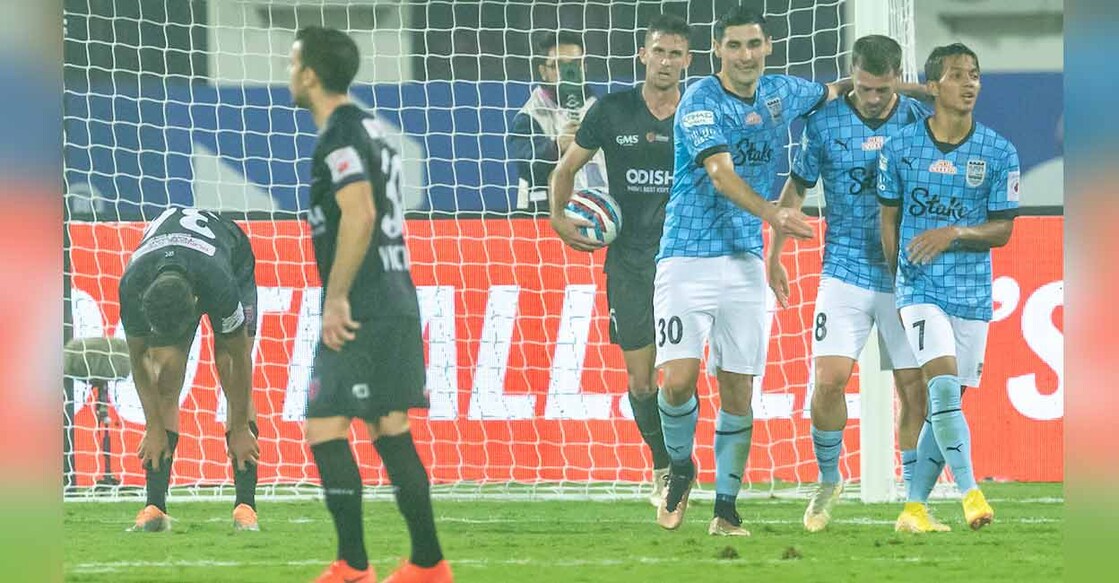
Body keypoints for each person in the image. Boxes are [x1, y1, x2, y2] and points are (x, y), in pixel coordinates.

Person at [653, 5, 852, 536]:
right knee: (677, 382)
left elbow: (838, 90)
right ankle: (679, 468)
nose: (745, 55)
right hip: (686, 255)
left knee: (739, 388)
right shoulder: (700, 100)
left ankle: (725, 507)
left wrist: (913, 90)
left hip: (743, 261)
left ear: (767, 48)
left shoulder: (781, 93)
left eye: (754, 45)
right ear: (718, 50)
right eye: (734, 46)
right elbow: (720, 174)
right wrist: (776, 215)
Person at [288, 26, 452, 582]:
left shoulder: (338, 135)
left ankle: (353, 566)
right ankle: (428, 563)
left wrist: (335, 300)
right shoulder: (374, 130)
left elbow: (358, 215)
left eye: (294, 63)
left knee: (325, 425)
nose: (290, 73)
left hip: (365, 305)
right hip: (395, 296)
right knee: (388, 426)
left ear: (310, 74)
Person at [766, 35, 944, 532]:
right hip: (843, 268)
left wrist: (908, 91)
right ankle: (828, 479)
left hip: (903, 273)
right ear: (852, 75)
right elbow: (798, 186)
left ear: (897, 80)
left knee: (914, 387)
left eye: (883, 89)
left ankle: (914, 501)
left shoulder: (915, 118)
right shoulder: (822, 123)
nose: (872, 98)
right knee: (828, 382)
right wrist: (776, 251)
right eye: (864, 87)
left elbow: (959, 95)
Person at [549, 13, 692, 506]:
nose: (666, 61)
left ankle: (684, 461)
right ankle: (664, 466)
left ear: (687, 61)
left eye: (676, 53)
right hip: (629, 262)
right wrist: (559, 220)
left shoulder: (696, 111)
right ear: (643, 55)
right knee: (641, 378)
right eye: (659, 51)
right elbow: (566, 169)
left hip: (683, 260)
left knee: (680, 378)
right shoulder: (611, 111)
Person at [877, 43, 1020, 533]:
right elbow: (888, 217)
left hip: (973, 294)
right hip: (919, 289)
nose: (970, 84)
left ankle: (914, 507)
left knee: (950, 403)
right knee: (938, 388)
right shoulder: (899, 148)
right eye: (957, 75)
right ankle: (970, 492)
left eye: (974, 75)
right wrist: (901, 279)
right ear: (934, 85)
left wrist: (954, 232)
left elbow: (1002, 230)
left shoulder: (1000, 152)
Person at [119, 208, 260, 532]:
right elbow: (139, 356)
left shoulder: (219, 285)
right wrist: (153, 426)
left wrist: (239, 427)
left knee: (227, 367)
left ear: (197, 300)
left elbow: (240, 358)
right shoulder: (133, 286)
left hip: (230, 258)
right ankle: (154, 505)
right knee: (165, 374)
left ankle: (245, 506)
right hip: (171, 267)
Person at [509, 30, 608, 214]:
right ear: (543, 71)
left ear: (584, 67)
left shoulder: (601, 110)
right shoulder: (530, 116)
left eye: (575, 64)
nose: (567, 72)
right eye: (558, 65)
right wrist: (556, 147)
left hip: (597, 215)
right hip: (542, 217)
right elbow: (524, 165)